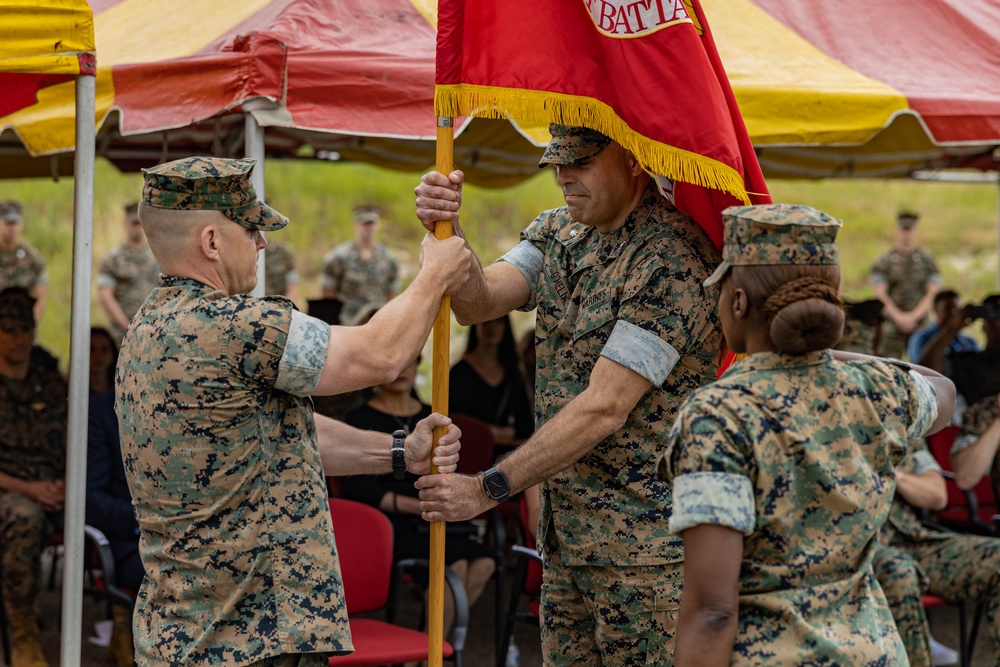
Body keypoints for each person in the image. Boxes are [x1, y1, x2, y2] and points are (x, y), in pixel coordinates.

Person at [115, 156, 472, 667]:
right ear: (212, 241)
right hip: (254, 637)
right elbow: (380, 355)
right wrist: (434, 275)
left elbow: (278, 435)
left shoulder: (145, 330)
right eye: (251, 227)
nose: (262, 242)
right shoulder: (235, 326)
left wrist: (398, 453)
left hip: (185, 635)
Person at [415, 124, 724, 665]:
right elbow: (478, 302)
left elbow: (606, 405)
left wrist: (487, 489)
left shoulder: (670, 258)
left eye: (580, 162)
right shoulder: (560, 232)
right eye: (557, 162)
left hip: (648, 555)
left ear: (632, 160)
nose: (562, 176)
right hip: (567, 541)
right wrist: (451, 232)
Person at [656, 204, 955, 666]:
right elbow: (942, 390)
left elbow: (713, 611)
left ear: (737, 302)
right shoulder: (875, 390)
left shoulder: (718, 414)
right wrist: (826, 353)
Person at [344, 357, 496, 637]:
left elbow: (451, 469)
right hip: (391, 521)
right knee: (457, 566)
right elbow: (360, 489)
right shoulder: (359, 418)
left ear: (418, 367)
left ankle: (431, 643)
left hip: (433, 513)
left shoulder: (433, 417)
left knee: (485, 563)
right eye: (395, 365)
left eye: (410, 363)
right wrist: (414, 506)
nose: (402, 372)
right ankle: (430, 651)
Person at [873, 437, 1000, 667]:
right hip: (860, 551)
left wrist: (893, 473)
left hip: (912, 540)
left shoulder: (895, 424)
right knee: (898, 571)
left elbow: (937, 495)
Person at [0, 287, 67, 667]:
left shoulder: (50, 381)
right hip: (10, 490)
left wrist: (66, 485)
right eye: (9, 329)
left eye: (24, 328)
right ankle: (23, 632)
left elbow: (73, 441)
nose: (19, 339)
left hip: (55, 487)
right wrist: (32, 489)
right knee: (24, 517)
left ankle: (121, 624)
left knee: (116, 506)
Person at [85, 326, 141, 667]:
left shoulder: (175, 408)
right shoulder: (101, 413)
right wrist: (143, 518)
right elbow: (91, 499)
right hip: (129, 541)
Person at [449, 315, 534, 454]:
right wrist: (500, 432)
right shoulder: (459, 373)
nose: (491, 326)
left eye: (498, 321)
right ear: (475, 325)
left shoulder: (514, 374)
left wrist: (489, 433)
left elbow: (525, 427)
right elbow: (457, 423)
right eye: (485, 320)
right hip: (469, 457)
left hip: (506, 460)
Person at [870, 210, 940, 359]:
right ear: (897, 231)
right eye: (903, 229)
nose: (906, 234)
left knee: (925, 366)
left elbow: (932, 292)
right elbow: (879, 293)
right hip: (891, 325)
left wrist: (913, 317)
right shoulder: (885, 261)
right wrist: (899, 317)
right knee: (887, 368)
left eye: (910, 230)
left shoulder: (927, 260)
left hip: (920, 323)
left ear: (916, 231)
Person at [319, 204, 399, 324]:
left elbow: (391, 292)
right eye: (364, 223)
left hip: (377, 320)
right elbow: (327, 292)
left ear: (378, 225)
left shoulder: (388, 258)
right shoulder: (339, 257)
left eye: (372, 223)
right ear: (355, 225)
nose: (368, 227)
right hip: (348, 321)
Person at [919, 294, 1000, 408]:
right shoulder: (970, 363)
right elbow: (927, 369)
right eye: (994, 315)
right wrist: (951, 328)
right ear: (985, 325)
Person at [96, 202, 161, 341]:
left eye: (140, 223)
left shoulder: (158, 257)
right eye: (134, 223)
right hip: (122, 336)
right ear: (125, 223)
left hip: (153, 334)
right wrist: (128, 328)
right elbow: (105, 297)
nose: (138, 228)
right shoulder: (113, 260)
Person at [0, 201, 48, 323]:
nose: (11, 228)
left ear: (21, 224)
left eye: (15, 223)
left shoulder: (31, 257)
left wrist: (32, 322)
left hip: (21, 321)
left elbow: (41, 291)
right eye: (7, 223)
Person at [907, 289, 979, 364]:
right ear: (935, 310)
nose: (953, 313)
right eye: (948, 308)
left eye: (956, 308)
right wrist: (951, 329)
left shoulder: (969, 342)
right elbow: (920, 368)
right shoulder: (922, 338)